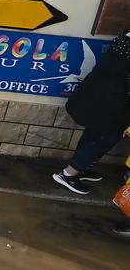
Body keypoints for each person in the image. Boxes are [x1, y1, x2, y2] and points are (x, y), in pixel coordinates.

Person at [54, 32, 130, 194]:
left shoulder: (125, 38)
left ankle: (79, 168)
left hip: (100, 95)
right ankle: (68, 174)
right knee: (104, 137)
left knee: (94, 133)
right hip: (115, 102)